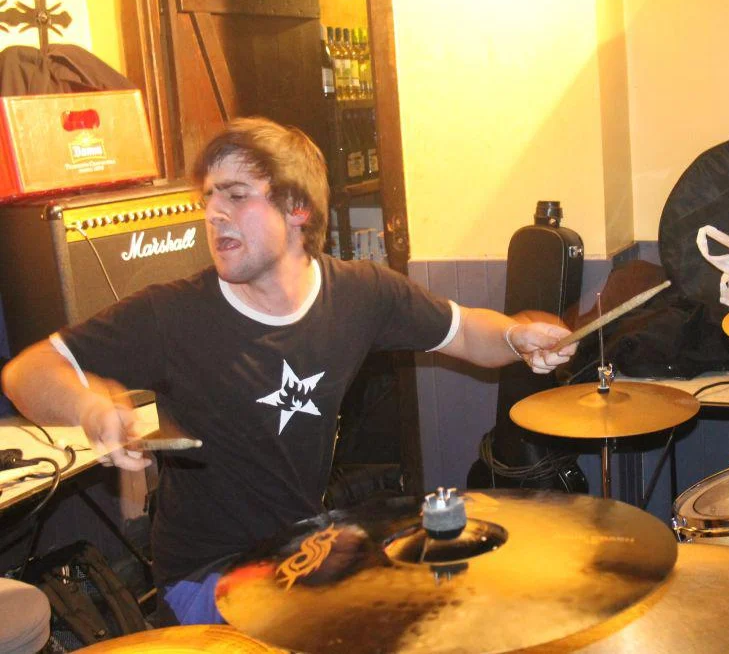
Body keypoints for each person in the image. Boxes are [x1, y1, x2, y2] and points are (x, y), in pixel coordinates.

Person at [1, 117, 577, 625]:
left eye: (236, 195)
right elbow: (27, 371)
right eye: (208, 198)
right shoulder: (171, 314)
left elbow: (464, 332)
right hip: (208, 573)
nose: (214, 213)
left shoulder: (361, 294)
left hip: (304, 547)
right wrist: (90, 407)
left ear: (297, 208)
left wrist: (515, 337)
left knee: (444, 607)